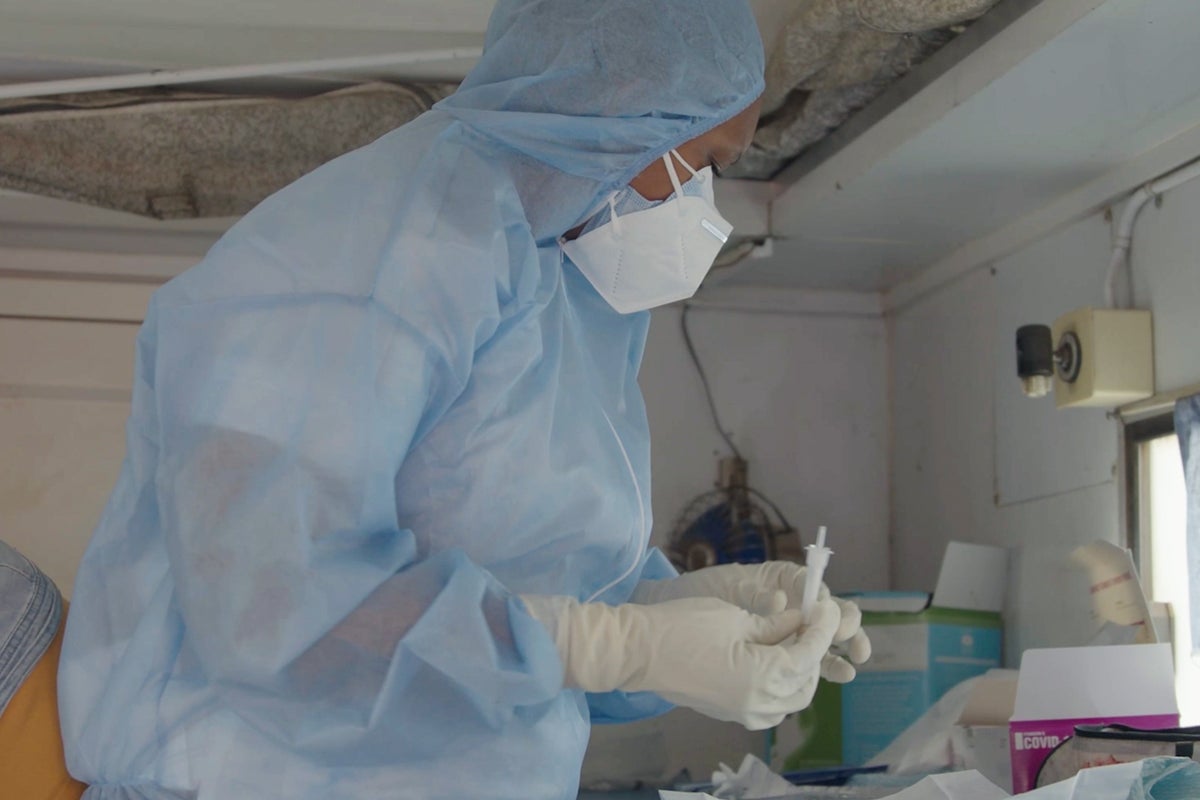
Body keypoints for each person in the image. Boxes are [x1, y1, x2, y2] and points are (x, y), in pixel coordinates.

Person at [58, 1, 869, 798]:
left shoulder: (556, 286)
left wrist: (676, 607)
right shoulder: (369, 254)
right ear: (624, 106)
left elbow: (539, 593)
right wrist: (621, 643)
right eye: (709, 163)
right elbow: (278, 605)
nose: (705, 203)